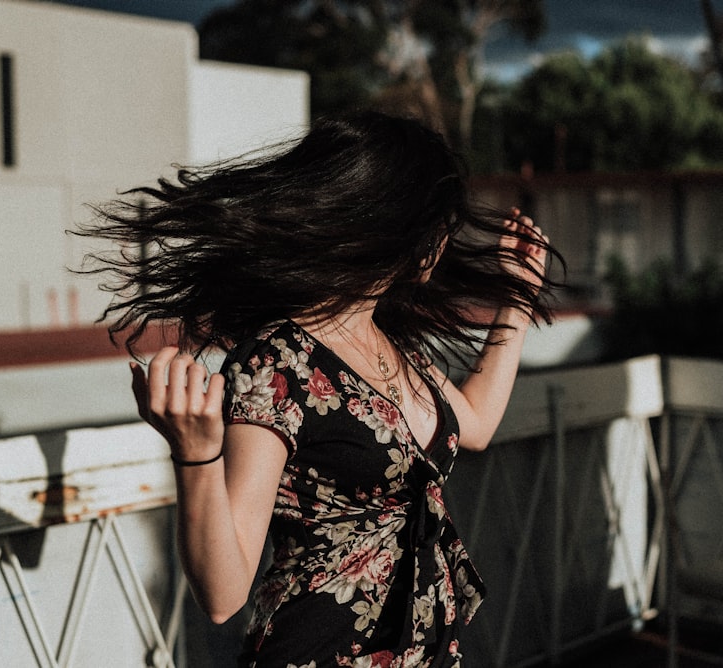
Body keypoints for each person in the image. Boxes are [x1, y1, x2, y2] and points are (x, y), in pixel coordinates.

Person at [81, 111, 557, 667]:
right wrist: (194, 454)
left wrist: (517, 302)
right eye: (437, 225)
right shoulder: (278, 364)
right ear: (393, 223)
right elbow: (223, 593)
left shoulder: (392, 342)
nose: (443, 243)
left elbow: (474, 422)